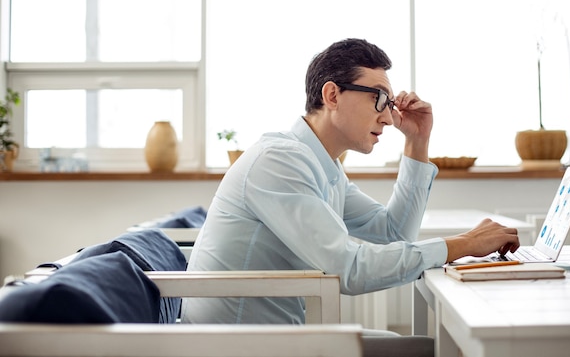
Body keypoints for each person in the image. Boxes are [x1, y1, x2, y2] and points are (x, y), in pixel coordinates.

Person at [181, 38, 520, 356]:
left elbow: (392, 234)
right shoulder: (280, 161)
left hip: (276, 338)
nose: (389, 117)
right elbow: (348, 269)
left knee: (426, 346)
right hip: (239, 347)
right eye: (379, 99)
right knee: (435, 349)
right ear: (332, 95)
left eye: (389, 103)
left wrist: (417, 143)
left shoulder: (320, 164)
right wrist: (463, 244)